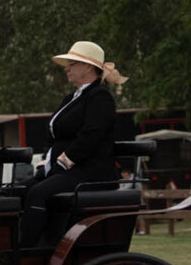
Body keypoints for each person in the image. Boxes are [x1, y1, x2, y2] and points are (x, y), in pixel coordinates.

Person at [22, 40, 126, 212]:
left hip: (88, 172)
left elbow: (90, 137)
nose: (66, 69)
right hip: (64, 171)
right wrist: (45, 163)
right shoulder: (71, 99)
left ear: (88, 67)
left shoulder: (100, 97)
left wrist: (63, 163)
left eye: (71, 64)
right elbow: (53, 135)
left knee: (37, 193)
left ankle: (34, 231)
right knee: (17, 191)